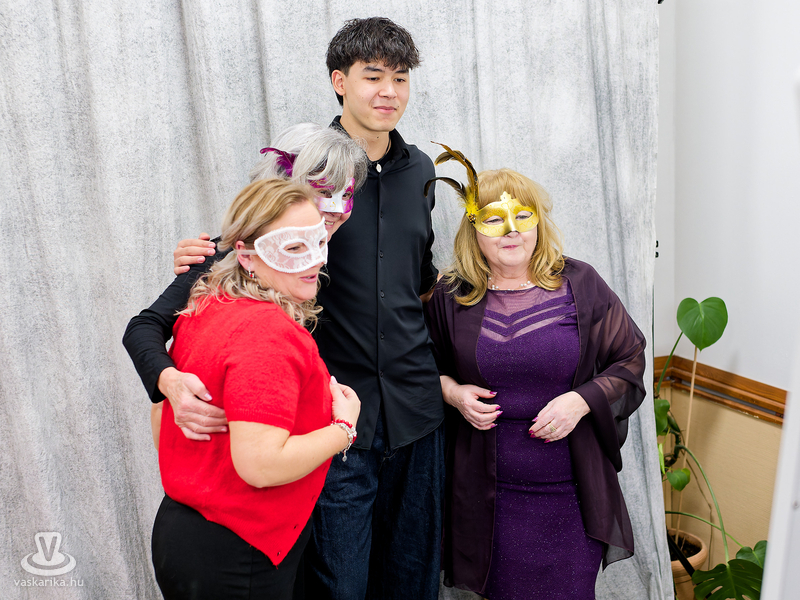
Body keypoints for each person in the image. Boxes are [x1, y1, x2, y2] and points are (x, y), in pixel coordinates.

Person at [154, 17, 446, 600]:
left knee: (413, 578)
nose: (388, 91)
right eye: (372, 76)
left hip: (416, 414)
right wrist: (205, 260)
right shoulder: (303, 168)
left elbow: (420, 280)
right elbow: (245, 254)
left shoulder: (421, 172)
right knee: (339, 583)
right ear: (340, 81)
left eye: (400, 78)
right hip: (331, 419)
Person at [423, 144, 646, 600]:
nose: (511, 230)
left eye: (523, 216)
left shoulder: (580, 283)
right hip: (489, 499)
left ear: (538, 223)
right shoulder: (450, 296)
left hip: (571, 494)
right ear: (473, 229)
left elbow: (630, 360)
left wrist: (581, 400)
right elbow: (420, 367)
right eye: (494, 219)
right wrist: (452, 393)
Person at [151, 178, 361, 600]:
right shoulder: (268, 332)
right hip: (237, 555)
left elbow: (162, 419)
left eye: (318, 241)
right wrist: (344, 427)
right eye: (293, 247)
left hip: (186, 533)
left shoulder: (205, 306)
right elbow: (261, 466)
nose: (314, 261)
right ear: (246, 256)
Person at [123, 122, 368, 443]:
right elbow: (144, 327)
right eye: (323, 192)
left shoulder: (350, 247)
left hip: (332, 424)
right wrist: (170, 382)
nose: (336, 209)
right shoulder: (231, 253)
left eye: (345, 194)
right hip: (262, 439)